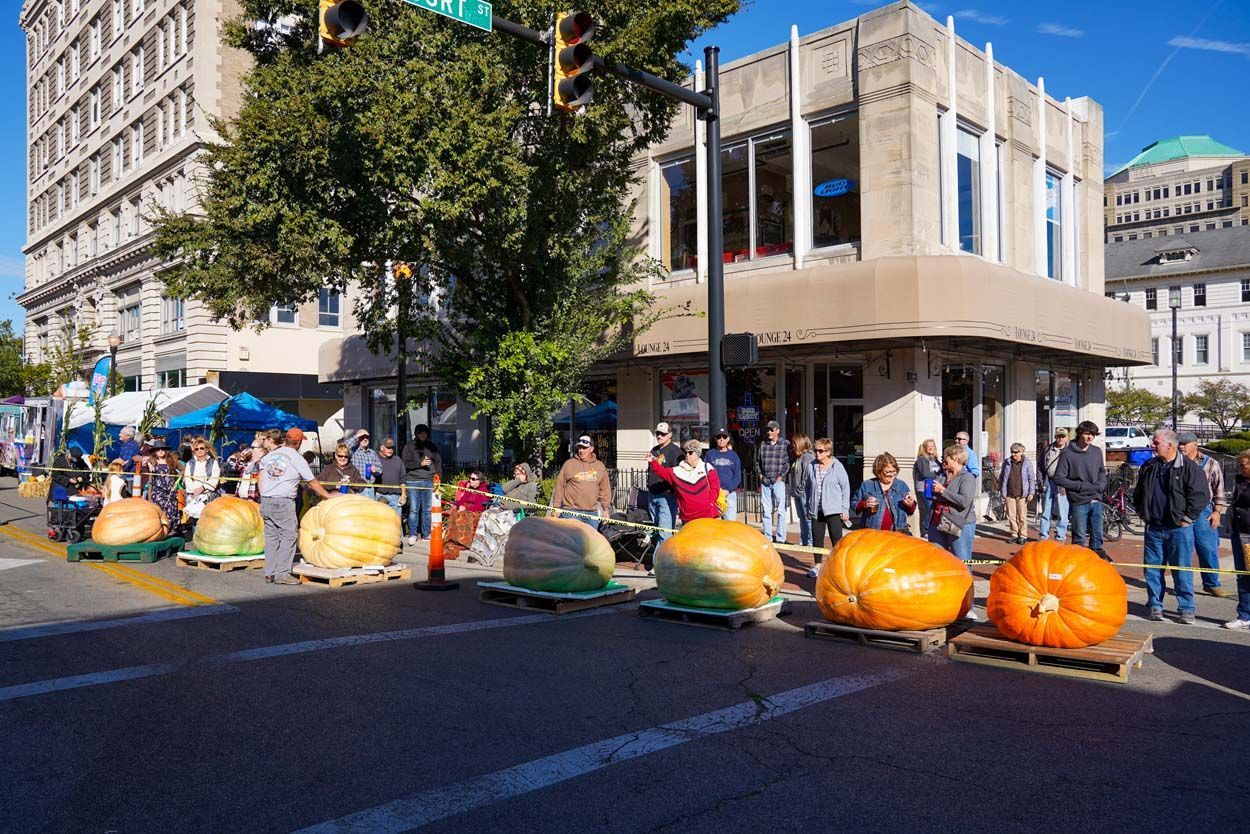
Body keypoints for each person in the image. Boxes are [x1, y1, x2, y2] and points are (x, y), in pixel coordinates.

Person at [1132, 428, 1210, 624]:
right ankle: (1155, 606)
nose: (1152, 445)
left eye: (1156, 442)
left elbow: (1201, 496)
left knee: (1181, 569)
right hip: (1154, 528)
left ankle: (1186, 609)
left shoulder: (1189, 468)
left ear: (1170, 445)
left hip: (1178, 529)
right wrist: (1142, 512)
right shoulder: (1149, 466)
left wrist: (1188, 518)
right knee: (1152, 569)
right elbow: (1138, 492)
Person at [259, 427, 332, 584]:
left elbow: (261, 475)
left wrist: (263, 494)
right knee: (289, 536)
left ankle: (270, 572)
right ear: (299, 442)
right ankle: (282, 574)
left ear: (286, 439)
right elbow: (312, 482)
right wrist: (328, 495)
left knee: (271, 537)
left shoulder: (270, 456)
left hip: (266, 500)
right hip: (283, 501)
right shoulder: (297, 459)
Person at [1179, 431, 1229, 597]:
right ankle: (1183, 587)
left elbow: (1219, 489)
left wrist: (1217, 512)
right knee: (1183, 551)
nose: (1181, 447)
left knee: (1208, 548)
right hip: (1181, 510)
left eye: (1185, 444)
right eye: (1180, 444)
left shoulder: (1210, 463)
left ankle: (1212, 583)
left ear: (1195, 444)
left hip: (1203, 512)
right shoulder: (1176, 463)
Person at [1053, 420, 1110, 560]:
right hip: (1079, 500)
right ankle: (1077, 562)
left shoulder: (1096, 451)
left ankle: (1096, 561)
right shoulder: (1068, 453)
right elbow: (1059, 478)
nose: (1090, 437)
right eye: (1087, 434)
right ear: (1079, 434)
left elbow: (1101, 470)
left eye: (1093, 434)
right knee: (1079, 536)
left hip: (1096, 498)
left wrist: (1102, 484)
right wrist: (1080, 486)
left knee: (1097, 535)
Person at [804, 437, 850, 578]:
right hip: (816, 509)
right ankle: (817, 565)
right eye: (815, 450)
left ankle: (837, 566)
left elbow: (845, 488)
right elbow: (807, 487)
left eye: (820, 451)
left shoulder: (837, 466)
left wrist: (845, 509)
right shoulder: (811, 466)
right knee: (817, 539)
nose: (817, 453)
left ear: (828, 452)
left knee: (836, 539)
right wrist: (808, 505)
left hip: (833, 509)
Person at [648, 440, 721, 523]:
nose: (687, 455)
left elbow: (715, 488)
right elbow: (662, 472)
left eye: (690, 452)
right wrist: (652, 461)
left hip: (709, 515)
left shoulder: (707, 468)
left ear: (697, 454)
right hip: (688, 517)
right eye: (685, 452)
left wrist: (710, 502)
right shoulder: (677, 471)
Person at [928, 443, 978, 565]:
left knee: (961, 560)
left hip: (958, 522)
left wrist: (942, 491)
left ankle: (965, 578)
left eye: (947, 457)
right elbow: (936, 496)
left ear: (956, 459)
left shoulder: (967, 477)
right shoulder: (943, 475)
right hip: (937, 520)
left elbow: (964, 501)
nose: (944, 459)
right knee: (938, 558)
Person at [553, 435, 611, 528]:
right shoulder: (569, 464)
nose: (581, 450)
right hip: (571, 512)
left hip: (592, 513)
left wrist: (606, 510)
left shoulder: (600, 466)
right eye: (579, 447)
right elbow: (560, 485)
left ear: (591, 449)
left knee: (590, 538)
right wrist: (556, 507)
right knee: (571, 538)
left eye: (584, 448)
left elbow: (605, 489)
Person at [852, 452, 916, 533]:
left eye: (894, 471)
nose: (891, 475)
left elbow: (911, 511)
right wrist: (864, 504)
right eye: (888, 472)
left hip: (898, 532)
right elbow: (854, 504)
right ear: (878, 472)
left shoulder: (901, 485)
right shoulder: (867, 485)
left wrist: (910, 504)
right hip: (873, 533)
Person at [1222, 449, 1250, 630]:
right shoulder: (1241, 480)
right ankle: (1244, 615)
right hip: (1239, 532)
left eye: (1243, 465)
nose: (1240, 468)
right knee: (1243, 574)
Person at [401, 424, 441, 547]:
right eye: (421, 433)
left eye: (425, 433)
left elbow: (438, 462)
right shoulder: (409, 446)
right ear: (416, 434)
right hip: (413, 481)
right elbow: (405, 463)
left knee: (427, 509)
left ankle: (426, 534)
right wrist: (420, 463)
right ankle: (413, 533)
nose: (423, 435)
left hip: (429, 480)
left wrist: (438, 479)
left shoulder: (431, 446)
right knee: (414, 509)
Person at [756, 420, 790, 544]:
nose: (769, 432)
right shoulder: (763, 445)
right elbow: (757, 462)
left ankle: (781, 538)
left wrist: (781, 476)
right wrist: (760, 475)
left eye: (772, 430)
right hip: (765, 481)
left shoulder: (785, 444)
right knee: (766, 511)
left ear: (777, 431)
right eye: (768, 430)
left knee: (781, 510)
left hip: (778, 482)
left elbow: (788, 463)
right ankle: (768, 537)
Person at [647, 422, 682, 542]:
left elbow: (677, 475)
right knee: (656, 531)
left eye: (663, 434)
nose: (659, 436)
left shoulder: (676, 451)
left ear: (670, 435)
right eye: (658, 433)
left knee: (665, 533)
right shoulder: (654, 450)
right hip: (652, 494)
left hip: (667, 496)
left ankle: (662, 554)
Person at [998, 443, 1036, 545]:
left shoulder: (1027, 462)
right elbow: (1002, 477)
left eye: (1016, 452)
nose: (1013, 454)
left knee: (1022, 516)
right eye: (1012, 452)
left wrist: (1031, 492)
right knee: (1011, 516)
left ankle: (1023, 535)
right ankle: (1014, 534)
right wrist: (1001, 489)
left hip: (1022, 494)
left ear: (1021, 452)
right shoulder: (1007, 462)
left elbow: (1031, 478)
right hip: (1009, 493)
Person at [1038, 428, 1071, 542]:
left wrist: (1068, 483)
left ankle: (1060, 537)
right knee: (1046, 511)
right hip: (1048, 481)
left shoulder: (1069, 451)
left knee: (1062, 511)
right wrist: (1040, 481)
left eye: (1063, 436)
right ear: (1055, 437)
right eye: (1058, 436)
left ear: (1066, 438)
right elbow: (1040, 466)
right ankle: (1043, 536)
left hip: (1062, 484)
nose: (1060, 438)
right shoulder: (1047, 449)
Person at [182, 436, 222, 531]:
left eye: (201, 448)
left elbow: (214, 479)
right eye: (197, 449)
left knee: (208, 520)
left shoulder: (213, 463)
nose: (199, 450)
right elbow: (187, 478)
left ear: (206, 449)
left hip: (208, 495)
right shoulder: (190, 463)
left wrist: (202, 488)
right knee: (195, 521)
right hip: (194, 495)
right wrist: (194, 491)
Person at [144, 438, 182, 529]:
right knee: (158, 512)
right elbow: (138, 458)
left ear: (166, 450)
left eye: (162, 449)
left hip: (171, 491)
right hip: (158, 492)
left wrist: (178, 478)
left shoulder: (172, 460)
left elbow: (183, 469)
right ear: (155, 451)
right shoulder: (152, 461)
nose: (160, 451)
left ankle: (170, 530)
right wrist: (149, 464)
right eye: (158, 449)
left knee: (171, 511)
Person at [706, 429, 742, 521]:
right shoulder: (710, 454)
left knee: (730, 523)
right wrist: (715, 489)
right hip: (714, 493)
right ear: (715, 439)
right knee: (714, 523)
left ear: (728, 439)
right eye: (719, 437)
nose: (721, 439)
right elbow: (706, 474)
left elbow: (737, 476)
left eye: (724, 437)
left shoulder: (733, 455)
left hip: (729, 494)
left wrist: (728, 489)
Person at [788, 433, 815, 547]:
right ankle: (804, 540)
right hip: (798, 493)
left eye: (795, 444)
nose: (793, 446)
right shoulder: (798, 458)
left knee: (808, 518)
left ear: (800, 443)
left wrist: (801, 488)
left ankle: (810, 541)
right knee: (802, 518)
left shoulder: (807, 457)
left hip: (804, 493)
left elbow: (807, 476)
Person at [913, 439, 941, 538]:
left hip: (934, 487)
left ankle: (931, 529)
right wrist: (938, 476)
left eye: (932, 446)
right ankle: (926, 531)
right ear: (924, 448)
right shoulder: (922, 459)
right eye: (928, 446)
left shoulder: (935, 459)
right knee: (928, 508)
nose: (930, 448)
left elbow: (941, 470)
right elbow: (925, 473)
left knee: (933, 508)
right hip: (924, 488)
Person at [374, 437, 407, 519]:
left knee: (396, 522)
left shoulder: (397, 460)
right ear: (381, 448)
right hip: (380, 495)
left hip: (396, 497)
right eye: (388, 447)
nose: (391, 450)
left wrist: (403, 495)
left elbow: (403, 479)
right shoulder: (374, 458)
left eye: (392, 448)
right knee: (380, 521)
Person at [348, 428, 382, 500]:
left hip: (370, 488)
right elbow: (344, 447)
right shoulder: (353, 451)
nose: (365, 439)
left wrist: (376, 470)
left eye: (367, 437)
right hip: (357, 489)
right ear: (358, 439)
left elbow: (380, 469)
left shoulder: (372, 452)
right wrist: (356, 436)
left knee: (370, 507)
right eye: (362, 437)